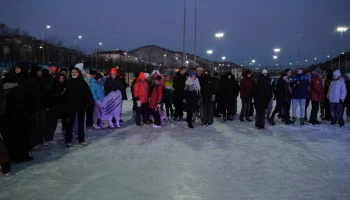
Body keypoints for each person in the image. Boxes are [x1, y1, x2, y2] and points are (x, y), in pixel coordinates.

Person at [2, 63, 38, 162]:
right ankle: (14, 155)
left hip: (23, 113)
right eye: (15, 68)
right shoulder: (11, 80)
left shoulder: (30, 81)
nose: (16, 70)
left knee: (23, 135)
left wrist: (31, 111)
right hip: (11, 114)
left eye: (18, 68)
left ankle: (22, 154)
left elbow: (33, 98)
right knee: (13, 135)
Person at [65, 67, 94, 147]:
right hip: (71, 105)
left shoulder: (82, 82)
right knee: (70, 123)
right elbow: (65, 94)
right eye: (72, 72)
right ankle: (68, 140)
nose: (74, 73)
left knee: (81, 122)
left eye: (75, 72)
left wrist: (90, 102)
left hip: (81, 105)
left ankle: (81, 139)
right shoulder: (68, 82)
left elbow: (88, 93)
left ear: (78, 73)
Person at [45, 74, 67, 144]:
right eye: (60, 78)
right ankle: (49, 138)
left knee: (56, 122)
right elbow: (49, 97)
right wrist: (60, 94)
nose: (62, 80)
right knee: (52, 123)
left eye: (63, 78)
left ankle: (50, 137)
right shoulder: (52, 86)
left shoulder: (63, 87)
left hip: (60, 106)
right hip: (53, 107)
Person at [29, 65, 46, 149]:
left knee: (41, 123)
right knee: (35, 124)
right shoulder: (31, 80)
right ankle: (34, 142)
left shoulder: (41, 80)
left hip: (41, 105)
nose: (41, 72)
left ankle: (40, 140)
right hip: (34, 106)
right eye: (39, 71)